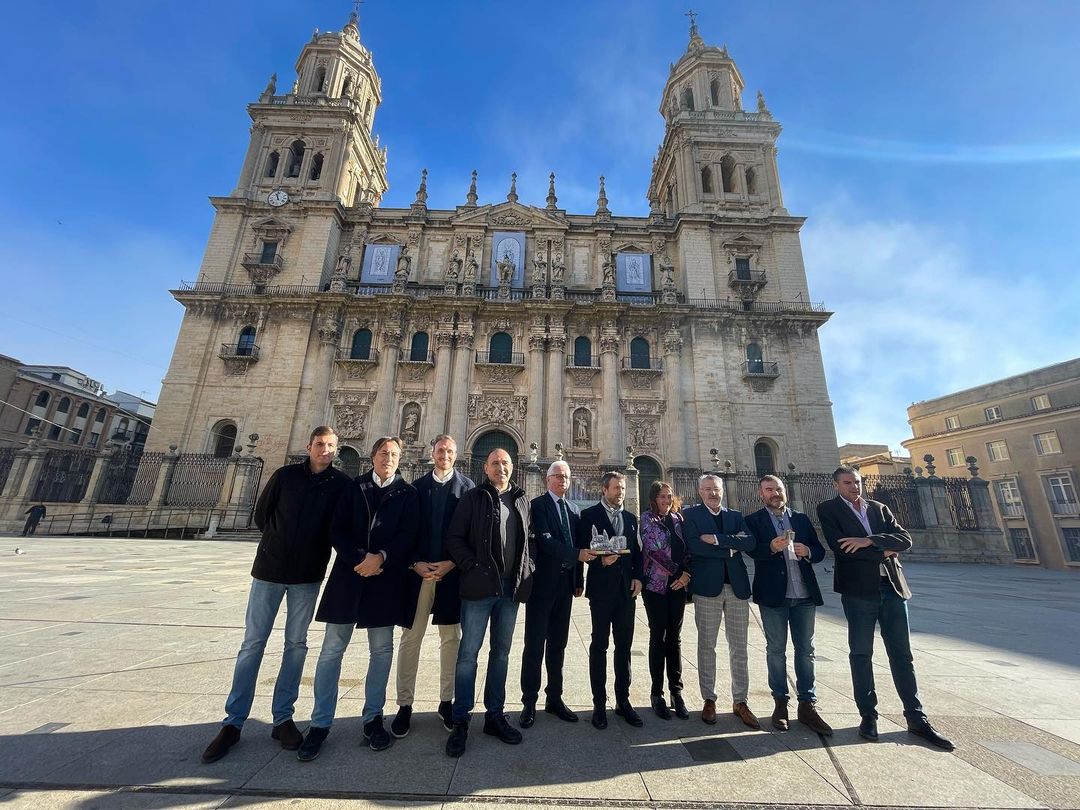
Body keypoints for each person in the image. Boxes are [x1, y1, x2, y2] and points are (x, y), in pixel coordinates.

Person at [201, 427, 350, 764]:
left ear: (336, 450)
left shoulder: (341, 485)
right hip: (268, 572)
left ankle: (282, 718)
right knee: (252, 644)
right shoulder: (284, 476)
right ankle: (233, 722)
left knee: (296, 646)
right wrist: (275, 545)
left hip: (307, 576)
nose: (324, 451)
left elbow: (341, 527)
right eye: (319, 445)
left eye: (330, 446)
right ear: (308, 446)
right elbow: (262, 515)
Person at [297, 436, 419, 761]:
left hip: (384, 579)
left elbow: (410, 535)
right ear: (373, 456)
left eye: (393, 454)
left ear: (400, 458)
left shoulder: (408, 494)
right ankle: (320, 723)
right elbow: (337, 529)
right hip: (348, 579)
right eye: (383, 453)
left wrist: (381, 557)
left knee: (381, 651)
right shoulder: (353, 487)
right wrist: (358, 559)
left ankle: (372, 718)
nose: (388, 458)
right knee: (331, 652)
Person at [817, 466, 955, 750]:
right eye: (847, 483)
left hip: (892, 588)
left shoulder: (879, 508)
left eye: (857, 482)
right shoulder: (828, 509)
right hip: (858, 591)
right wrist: (885, 550)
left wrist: (869, 541)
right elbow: (842, 548)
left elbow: (905, 540)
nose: (854, 487)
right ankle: (868, 715)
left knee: (902, 654)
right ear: (836, 485)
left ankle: (916, 716)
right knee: (861, 653)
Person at [444, 448, 535, 757]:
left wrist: (527, 568)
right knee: (468, 654)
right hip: (480, 589)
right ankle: (461, 720)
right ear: (485, 468)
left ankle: (495, 715)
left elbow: (528, 540)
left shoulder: (521, 499)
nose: (501, 468)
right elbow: (454, 538)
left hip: (510, 590)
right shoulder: (473, 498)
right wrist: (473, 566)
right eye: (495, 463)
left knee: (501, 654)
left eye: (506, 463)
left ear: (514, 466)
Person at [391, 435, 475, 738]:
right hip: (419, 574)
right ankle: (404, 704)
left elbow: (472, 535)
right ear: (432, 453)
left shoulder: (468, 489)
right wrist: (415, 563)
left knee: (451, 638)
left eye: (450, 451)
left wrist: (452, 562)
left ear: (456, 455)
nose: (445, 455)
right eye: (441, 450)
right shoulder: (417, 488)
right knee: (411, 638)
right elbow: (406, 531)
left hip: (451, 575)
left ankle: (446, 701)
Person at [746, 475, 832, 735]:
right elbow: (752, 549)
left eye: (778, 489)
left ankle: (807, 704)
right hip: (774, 595)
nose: (775, 493)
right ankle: (780, 702)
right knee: (776, 649)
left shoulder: (802, 519)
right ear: (761, 494)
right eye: (769, 490)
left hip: (804, 594)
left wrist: (809, 551)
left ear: (785, 492)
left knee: (806, 650)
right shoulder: (754, 521)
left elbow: (820, 551)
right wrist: (770, 547)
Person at [682, 474, 759, 729]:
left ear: (722, 491)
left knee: (740, 647)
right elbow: (694, 547)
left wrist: (717, 540)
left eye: (715, 489)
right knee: (707, 645)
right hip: (707, 589)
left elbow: (749, 542)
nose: (712, 493)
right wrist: (731, 546)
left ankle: (740, 700)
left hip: (736, 588)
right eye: (707, 489)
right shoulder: (691, 515)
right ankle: (709, 698)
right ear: (699, 491)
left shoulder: (736, 516)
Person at [519, 460, 592, 728]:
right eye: (558, 476)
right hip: (542, 586)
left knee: (558, 644)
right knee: (534, 644)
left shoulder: (573, 509)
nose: (562, 480)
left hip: (565, 586)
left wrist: (578, 577)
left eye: (566, 477)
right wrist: (576, 555)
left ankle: (554, 698)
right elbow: (546, 541)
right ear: (547, 480)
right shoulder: (537, 506)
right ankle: (529, 700)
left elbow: (579, 544)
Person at [576, 471, 643, 730]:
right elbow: (582, 551)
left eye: (623, 488)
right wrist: (599, 560)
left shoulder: (630, 518)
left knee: (624, 647)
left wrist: (639, 577)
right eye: (616, 488)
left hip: (626, 592)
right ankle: (599, 703)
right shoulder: (589, 516)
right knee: (599, 646)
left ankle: (623, 701)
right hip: (601, 591)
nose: (620, 493)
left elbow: (637, 553)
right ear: (604, 489)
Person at [639, 480, 691, 720]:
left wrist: (687, 573)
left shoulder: (680, 520)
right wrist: (677, 571)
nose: (667, 500)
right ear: (653, 498)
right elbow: (653, 549)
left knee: (675, 638)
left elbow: (688, 548)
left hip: (678, 586)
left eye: (669, 496)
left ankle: (676, 692)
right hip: (656, 586)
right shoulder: (647, 520)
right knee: (658, 635)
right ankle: (657, 693)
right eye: (662, 496)